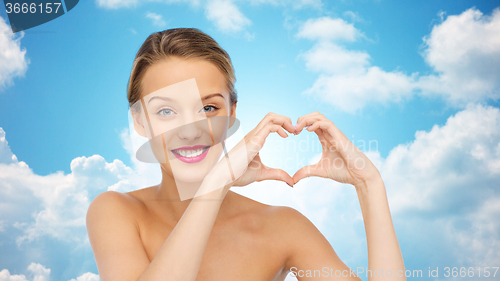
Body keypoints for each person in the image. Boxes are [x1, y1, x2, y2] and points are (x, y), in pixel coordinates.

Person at [86, 28, 406, 281]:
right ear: (140, 121)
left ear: (231, 113)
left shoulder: (281, 227)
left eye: (208, 108)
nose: (189, 131)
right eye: (166, 111)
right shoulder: (117, 213)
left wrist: (369, 185)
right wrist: (215, 186)